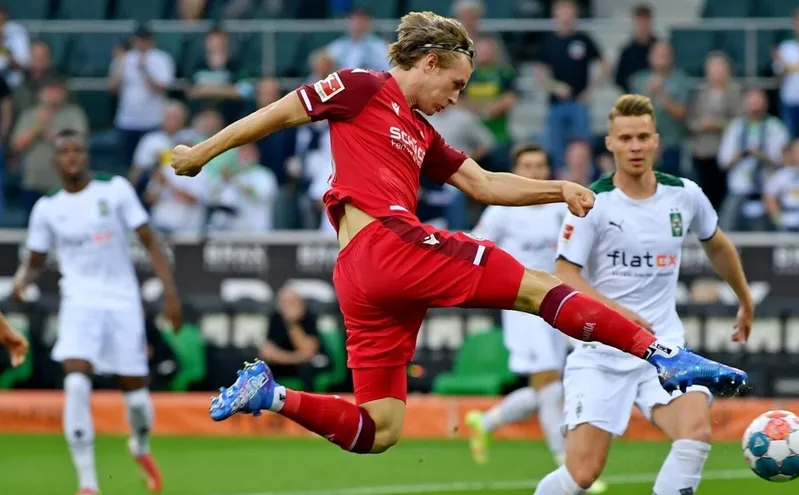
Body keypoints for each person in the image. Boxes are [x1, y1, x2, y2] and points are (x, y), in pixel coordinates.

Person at [171, 11, 747, 457]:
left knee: (380, 430)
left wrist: (559, 188)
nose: (455, 99)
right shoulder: (361, 86)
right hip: (387, 245)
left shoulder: (422, 132)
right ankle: (663, 354)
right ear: (428, 62)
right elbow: (278, 112)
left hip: (363, 278)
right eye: (455, 84)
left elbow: (484, 183)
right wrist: (201, 152)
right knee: (538, 288)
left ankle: (270, 394)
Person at [532, 94, 754, 495]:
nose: (635, 146)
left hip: (662, 348)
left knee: (695, 433)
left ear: (656, 141)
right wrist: (615, 311)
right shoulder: (592, 202)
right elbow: (564, 273)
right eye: (626, 138)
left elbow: (717, 244)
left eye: (642, 137)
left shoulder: (684, 195)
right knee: (582, 474)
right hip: (601, 351)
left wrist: (744, 298)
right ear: (610, 143)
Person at [12, 130, 183, 495]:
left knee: (135, 395)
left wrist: (171, 294)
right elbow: (36, 260)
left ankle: (140, 445)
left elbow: (150, 241)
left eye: (78, 150)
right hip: (79, 301)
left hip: (122, 301)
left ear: (86, 156)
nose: (72, 157)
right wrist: (22, 281)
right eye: (64, 151)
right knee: (75, 381)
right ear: (55, 161)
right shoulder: (47, 207)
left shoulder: (114, 189)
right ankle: (88, 484)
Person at [463, 144, 609, 492]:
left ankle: (486, 421)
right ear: (515, 170)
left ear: (548, 170)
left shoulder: (561, 209)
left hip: (558, 303)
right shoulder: (502, 211)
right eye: (526, 165)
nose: (534, 171)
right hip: (522, 306)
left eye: (539, 165)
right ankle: (570, 468)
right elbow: (474, 248)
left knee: (549, 386)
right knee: (550, 384)